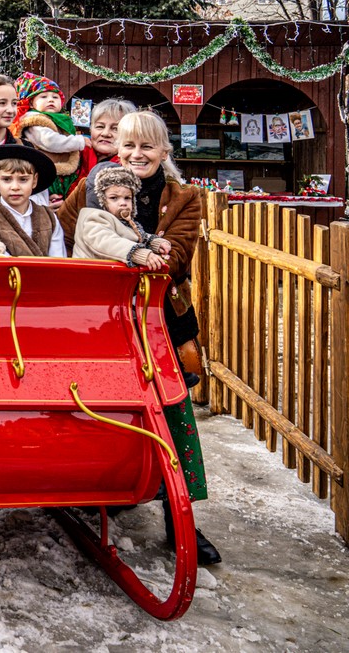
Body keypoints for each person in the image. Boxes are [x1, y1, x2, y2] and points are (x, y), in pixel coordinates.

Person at [57, 110, 222, 566]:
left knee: (171, 413)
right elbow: (68, 230)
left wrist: (142, 252)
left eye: (147, 146)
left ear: (164, 152)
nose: (136, 155)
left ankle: (180, 515)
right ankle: (108, 487)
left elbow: (180, 255)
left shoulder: (182, 197)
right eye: (128, 145)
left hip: (157, 320)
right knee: (102, 404)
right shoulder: (96, 182)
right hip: (101, 322)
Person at [11, 73, 95, 204]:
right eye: (43, 96)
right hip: (46, 170)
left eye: (55, 97)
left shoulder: (57, 120)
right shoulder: (35, 120)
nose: (50, 100)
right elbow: (49, 141)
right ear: (31, 103)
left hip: (59, 170)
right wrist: (78, 141)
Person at [71, 165, 174, 270]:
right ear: (101, 200)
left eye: (127, 198)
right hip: (90, 276)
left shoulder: (123, 221)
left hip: (110, 276)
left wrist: (153, 242)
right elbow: (105, 241)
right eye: (114, 198)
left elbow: (135, 235)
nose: (123, 203)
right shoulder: (94, 218)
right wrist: (136, 252)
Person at [0, 144, 67, 258]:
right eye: (7, 179)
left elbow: (57, 259)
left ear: (34, 180)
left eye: (23, 179)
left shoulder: (49, 218)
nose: (15, 187)